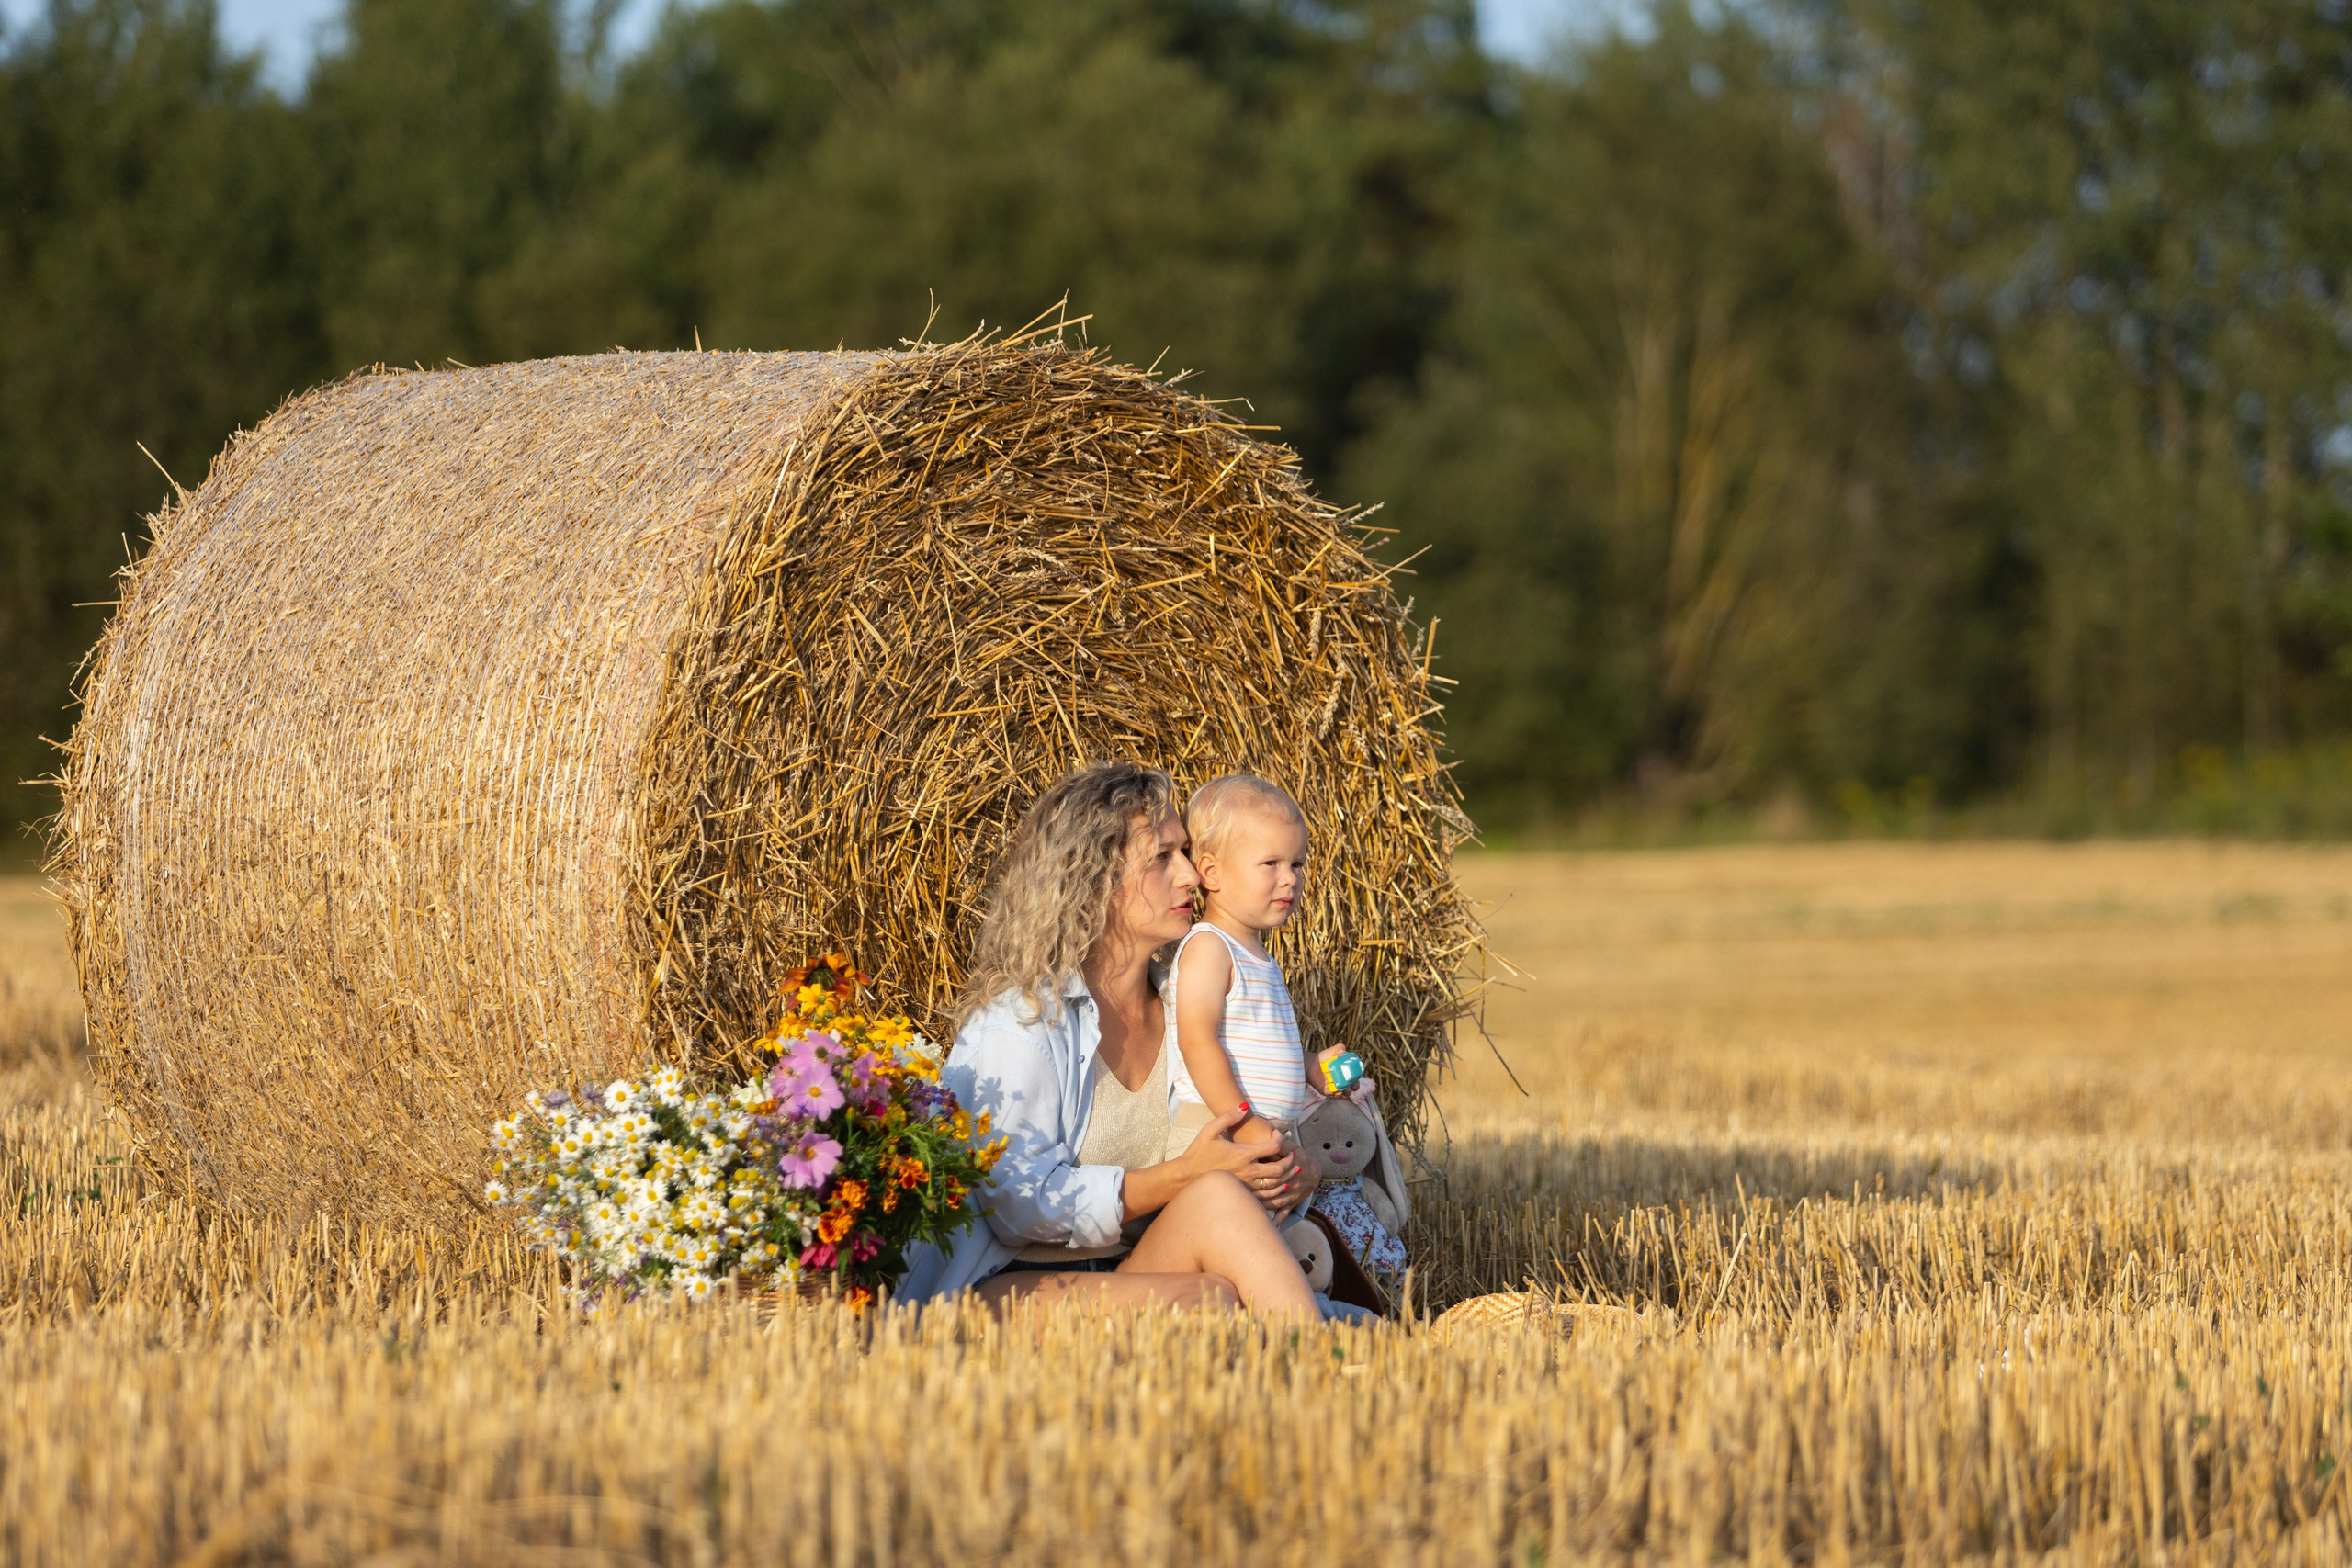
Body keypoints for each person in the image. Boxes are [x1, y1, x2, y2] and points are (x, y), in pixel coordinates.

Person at [895, 761, 1321, 1315]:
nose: (1191, 875)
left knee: (1218, 1229)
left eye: (1185, 853)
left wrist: (1295, 1171)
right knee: (1210, 1302)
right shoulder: (1023, 1020)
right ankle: (1324, 1357)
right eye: (1162, 858)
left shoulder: (1189, 1013)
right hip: (1009, 1286)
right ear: (1094, 880)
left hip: (1132, 1272)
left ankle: (1328, 1360)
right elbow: (1021, 1204)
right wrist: (1184, 1174)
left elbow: (1244, 1148)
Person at [1163, 773, 1349, 1156]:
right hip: (1219, 1133)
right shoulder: (1210, 947)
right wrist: (1245, 1123)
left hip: (1266, 1132)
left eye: (1296, 864)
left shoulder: (1255, 955)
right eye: (1271, 863)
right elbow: (1197, 1043)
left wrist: (1311, 1066)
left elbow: (1250, 1047)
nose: (1290, 879)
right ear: (1211, 873)